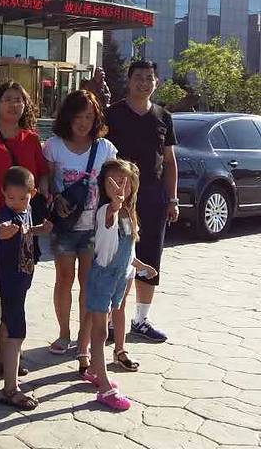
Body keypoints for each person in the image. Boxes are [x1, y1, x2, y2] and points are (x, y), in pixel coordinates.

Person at [43, 90, 117, 372]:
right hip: (64, 226)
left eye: (89, 116)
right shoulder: (54, 146)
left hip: (93, 226)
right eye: (78, 116)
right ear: (68, 117)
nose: (83, 122)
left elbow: (115, 182)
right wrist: (54, 198)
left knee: (88, 282)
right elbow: (47, 180)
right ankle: (64, 333)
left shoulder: (105, 148)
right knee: (64, 278)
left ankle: (83, 341)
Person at [106, 60, 178, 342]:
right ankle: (111, 321)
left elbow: (169, 161)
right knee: (116, 258)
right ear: (129, 80)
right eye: (139, 77)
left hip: (152, 197)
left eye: (149, 78)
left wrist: (172, 199)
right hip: (118, 197)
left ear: (156, 82)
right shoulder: (113, 114)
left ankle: (141, 320)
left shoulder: (163, 116)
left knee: (149, 257)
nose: (144, 82)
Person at [0, 81, 49, 360]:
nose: (13, 104)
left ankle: (6, 349)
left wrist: (43, 193)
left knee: (16, 287)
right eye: (8, 99)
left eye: (19, 100)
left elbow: (42, 173)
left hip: (23, 222)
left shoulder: (30, 138)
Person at [82, 160, 157, 411]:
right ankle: (104, 387)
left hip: (119, 279)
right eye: (112, 181)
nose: (119, 187)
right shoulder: (106, 210)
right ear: (103, 186)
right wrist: (115, 203)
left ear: (133, 184)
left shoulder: (129, 214)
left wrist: (141, 266)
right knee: (101, 332)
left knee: (105, 323)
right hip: (103, 278)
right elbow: (109, 218)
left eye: (124, 181)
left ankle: (94, 370)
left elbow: (127, 251)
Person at [0, 166, 52, 410]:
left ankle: (2, 361)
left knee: (7, 322)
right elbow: (2, 229)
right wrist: (3, 231)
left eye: (22, 198)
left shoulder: (27, 211)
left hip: (21, 278)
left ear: (33, 193)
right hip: (11, 280)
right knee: (17, 332)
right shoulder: (5, 214)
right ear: (3, 193)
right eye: (11, 198)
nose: (16, 203)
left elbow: (25, 232)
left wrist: (40, 230)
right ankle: (11, 389)